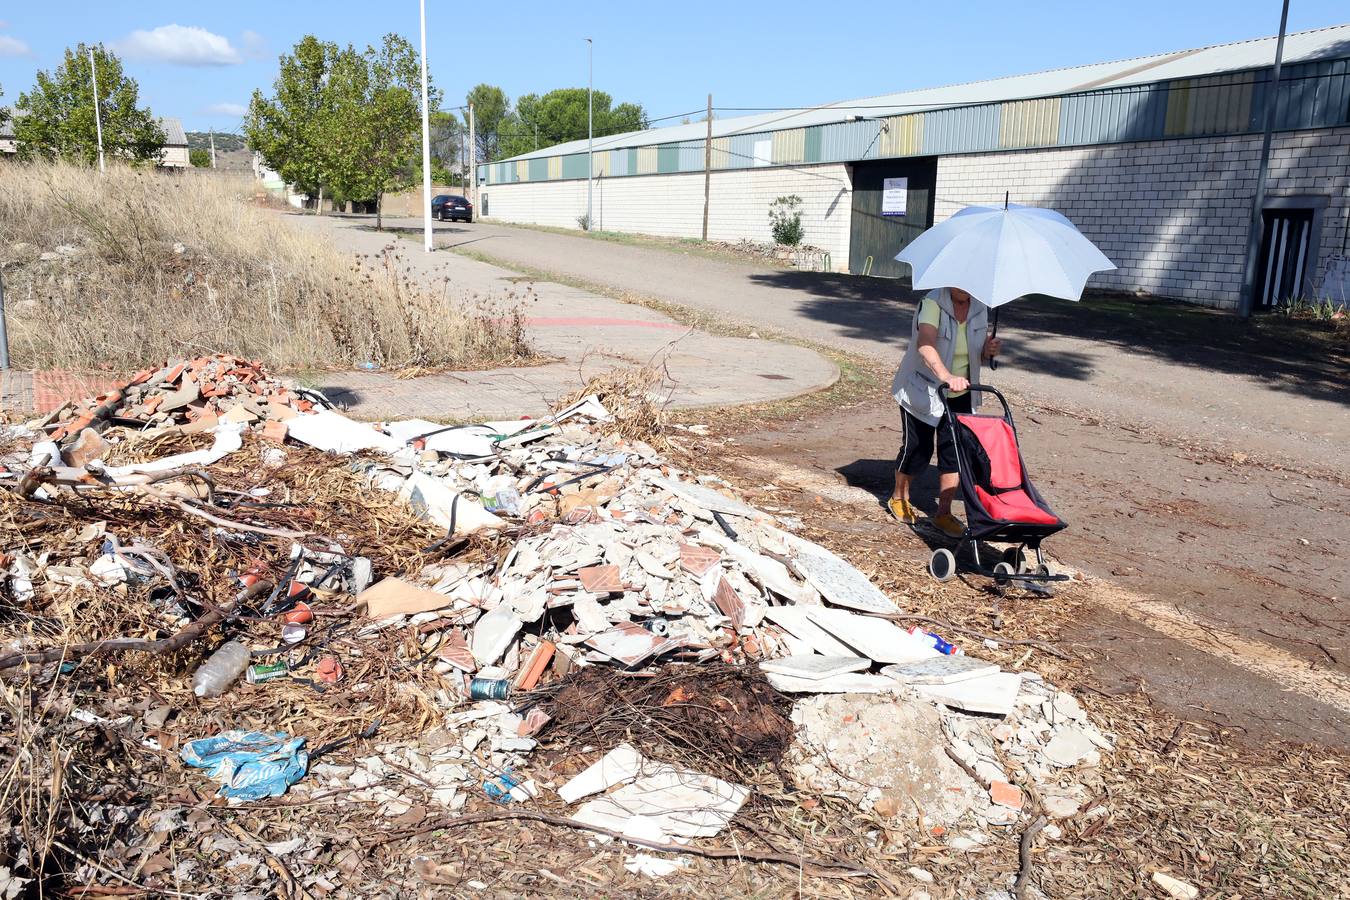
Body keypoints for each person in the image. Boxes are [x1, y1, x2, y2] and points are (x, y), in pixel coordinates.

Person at [888, 286, 1001, 537]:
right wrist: (946, 376)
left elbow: (974, 352)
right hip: (923, 388)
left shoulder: (980, 308)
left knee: (954, 452)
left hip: (961, 392)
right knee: (918, 448)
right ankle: (899, 497)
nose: (965, 286)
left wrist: (987, 350)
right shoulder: (932, 302)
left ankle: (944, 513)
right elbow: (925, 344)